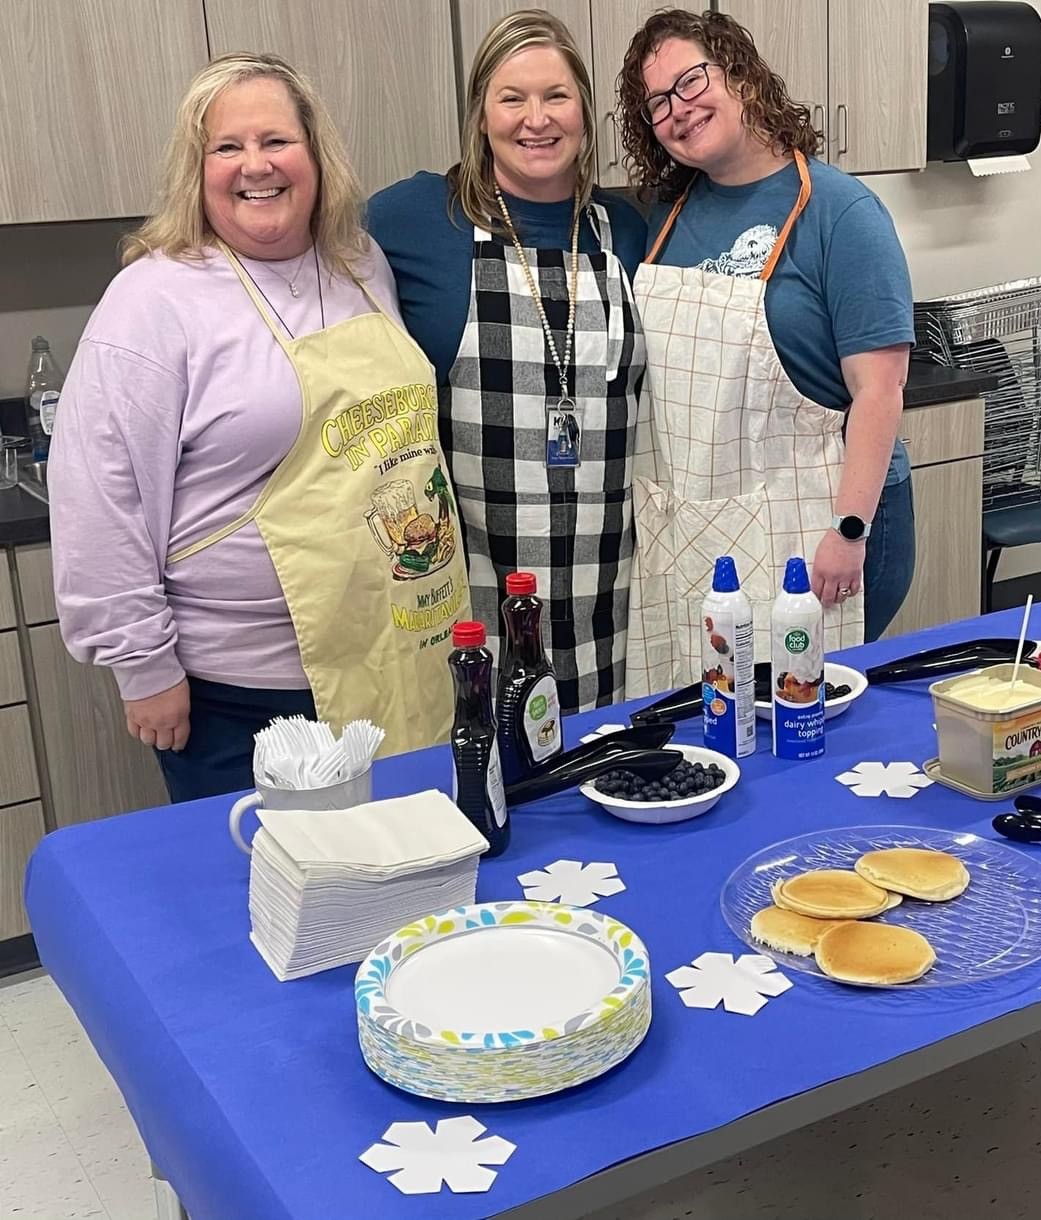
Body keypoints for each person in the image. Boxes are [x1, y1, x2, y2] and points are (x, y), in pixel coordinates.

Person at [48, 54, 469, 804]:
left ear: (314, 153)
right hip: (243, 695)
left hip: (392, 653)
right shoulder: (153, 301)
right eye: (227, 147)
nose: (256, 166)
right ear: (196, 169)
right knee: (277, 908)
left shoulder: (359, 264)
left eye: (276, 140)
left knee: (403, 887)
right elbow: (96, 496)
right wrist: (144, 666)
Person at [616, 8, 916, 695]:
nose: (678, 110)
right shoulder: (669, 215)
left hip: (829, 513)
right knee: (730, 711)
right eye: (656, 102)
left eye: (691, 82)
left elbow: (881, 389)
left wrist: (848, 529)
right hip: (712, 524)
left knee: (813, 709)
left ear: (743, 77)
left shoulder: (840, 212)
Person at [368, 9, 648, 715]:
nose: (537, 119)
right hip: (476, 601)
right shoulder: (415, 221)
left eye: (556, 96)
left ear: (585, 109)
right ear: (480, 115)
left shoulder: (630, 231)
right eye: (512, 98)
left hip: (615, 599)